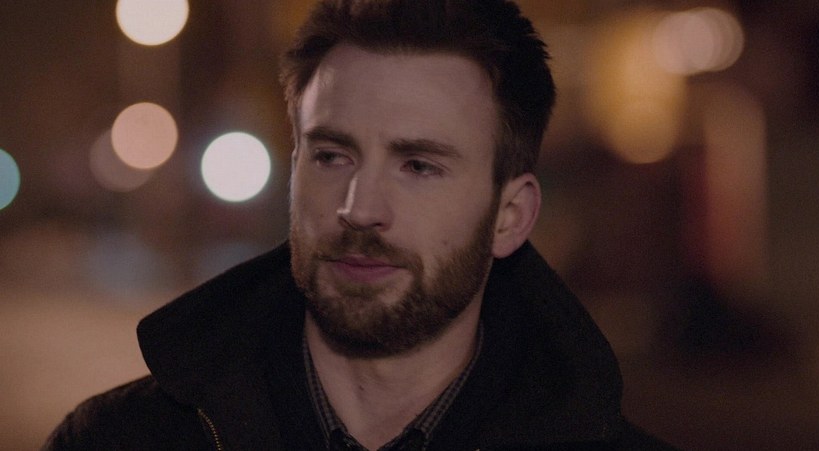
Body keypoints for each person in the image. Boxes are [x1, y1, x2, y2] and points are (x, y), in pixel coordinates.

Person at [46, 0, 676, 449]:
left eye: (419, 166)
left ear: (510, 217)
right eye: (331, 156)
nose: (358, 207)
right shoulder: (117, 439)